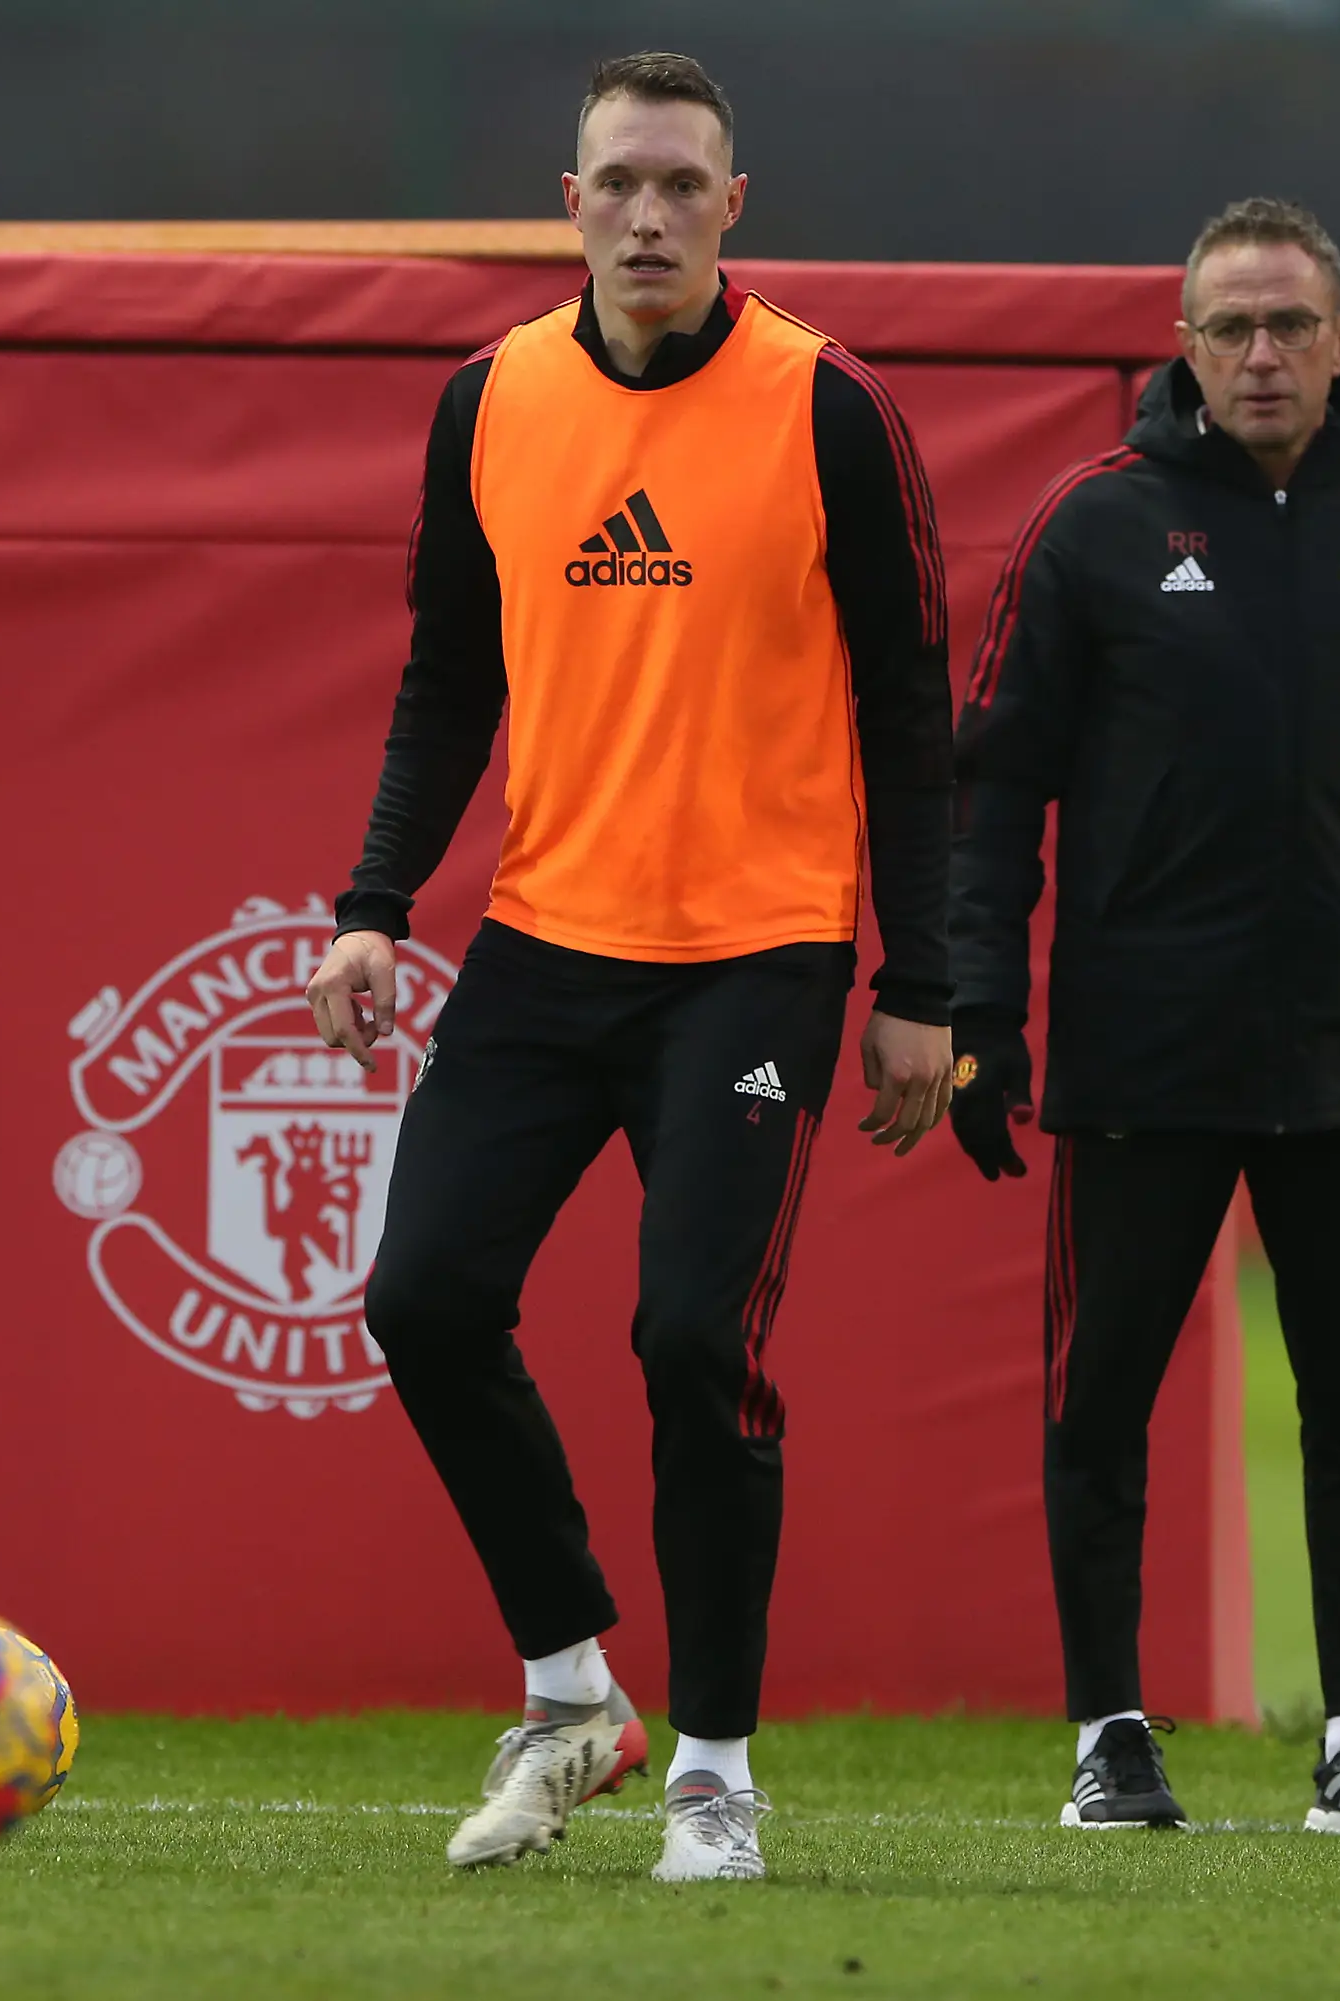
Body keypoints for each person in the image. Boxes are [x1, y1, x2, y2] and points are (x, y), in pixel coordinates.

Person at [302, 51, 955, 1884]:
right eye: (618, 183)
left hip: (757, 959)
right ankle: (575, 1694)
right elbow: (449, 677)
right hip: (543, 941)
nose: (648, 215)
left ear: (734, 207)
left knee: (690, 1342)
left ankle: (716, 1776)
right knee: (424, 1298)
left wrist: (925, 979)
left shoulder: (829, 405)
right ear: (569, 203)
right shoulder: (492, 398)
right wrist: (373, 899)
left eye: (681, 185)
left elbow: (913, 713)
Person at [950, 198, 1340, 1835]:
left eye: (1288, 325)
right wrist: (980, 1007)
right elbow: (995, 793)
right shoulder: (1095, 525)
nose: (1260, 354)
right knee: (1104, 1399)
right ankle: (1110, 1737)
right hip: (1146, 1044)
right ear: (1185, 348)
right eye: (1229, 328)